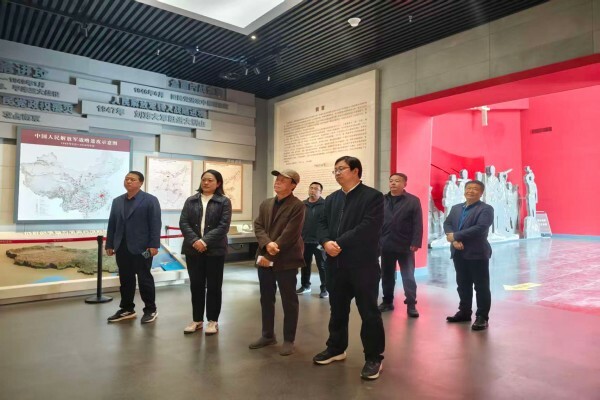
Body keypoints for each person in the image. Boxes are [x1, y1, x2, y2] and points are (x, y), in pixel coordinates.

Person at [313, 156, 385, 380]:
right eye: (335, 170)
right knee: (337, 309)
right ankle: (336, 348)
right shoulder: (332, 198)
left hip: (363, 264)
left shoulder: (373, 197)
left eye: (341, 169)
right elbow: (321, 224)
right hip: (336, 264)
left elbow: (369, 227)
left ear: (355, 171)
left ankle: (373, 357)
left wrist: (338, 243)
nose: (337, 173)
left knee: (369, 312)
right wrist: (326, 242)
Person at [250, 169, 305, 356]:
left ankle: (289, 339)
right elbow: (258, 225)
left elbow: (291, 234)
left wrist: (271, 254)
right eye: (277, 179)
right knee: (266, 298)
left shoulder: (298, 206)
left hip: (286, 259)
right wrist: (267, 244)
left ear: (293, 185)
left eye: (283, 180)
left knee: (289, 300)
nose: (278, 182)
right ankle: (267, 335)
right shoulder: (266, 203)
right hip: (265, 256)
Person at [179, 169, 232, 335]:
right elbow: (183, 222)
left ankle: (213, 320)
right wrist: (195, 241)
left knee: (214, 286)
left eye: (210, 180)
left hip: (215, 250)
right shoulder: (191, 200)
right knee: (196, 285)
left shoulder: (223, 202)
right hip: (193, 249)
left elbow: (223, 226)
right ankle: (197, 320)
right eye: (204, 180)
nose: (206, 183)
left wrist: (204, 241)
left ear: (218, 183)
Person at [106, 171, 161, 324]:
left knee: (144, 279)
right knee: (125, 279)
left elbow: (155, 223)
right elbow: (112, 224)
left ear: (141, 182)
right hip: (122, 247)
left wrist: (154, 244)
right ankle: (127, 309)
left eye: (132, 179)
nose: (129, 181)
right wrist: (110, 244)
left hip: (143, 248)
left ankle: (150, 309)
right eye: (126, 179)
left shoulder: (150, 200)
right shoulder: (117, 201)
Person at [443, 180, 494, 331]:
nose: (471, 191)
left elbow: (480, 228)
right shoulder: (456, 208)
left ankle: (482, 317)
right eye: (468, 188)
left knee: (481, 286)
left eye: (475, 189)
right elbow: (447, 224)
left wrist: (456, 236)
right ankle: (464, 312)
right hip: (458, 252)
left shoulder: (486, 209)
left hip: (477, 253)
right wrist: (454, 240)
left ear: (481, 193)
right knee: (463, 285)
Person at [379, 173, 423, 317]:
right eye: (391, 181)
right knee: (386, 275)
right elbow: (376, 221)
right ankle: (387, 301)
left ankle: (411, 304)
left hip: (405, 245)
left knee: (408, 276)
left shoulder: (413, 201)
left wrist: (416, 242)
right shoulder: (382, 200)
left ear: (405, 184)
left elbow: (418, 223)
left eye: (397, 181)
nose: (393, 183)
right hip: (386, 244)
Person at [296, 181, 328, 298]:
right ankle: (305, 286)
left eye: (316, 189)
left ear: (320, 192)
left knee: (322, 266)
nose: (312, 190)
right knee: (304, 265)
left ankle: (325, 288)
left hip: (320, 242)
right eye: (311, 188)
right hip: (305, 240)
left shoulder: (325, 205)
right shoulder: (302, 205)